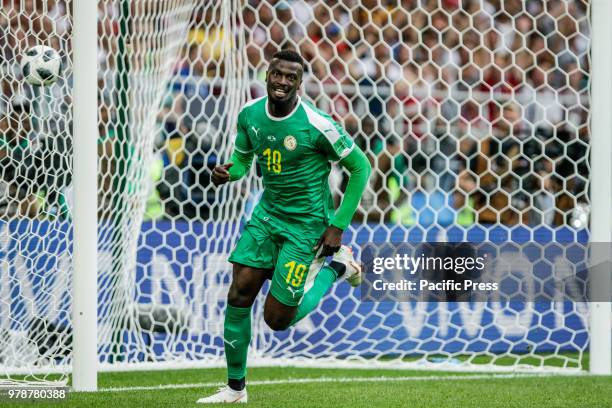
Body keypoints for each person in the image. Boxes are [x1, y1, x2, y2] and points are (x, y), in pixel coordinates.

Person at [197, 50, 371, 404]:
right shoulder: (249, 114)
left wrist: (337, 226)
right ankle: (235, 389)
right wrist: (228, 173)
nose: (282, 82)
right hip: (267, 217)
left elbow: (361, 168)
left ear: (299, 83)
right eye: (277, 74)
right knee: (238, 293)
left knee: (277, 319)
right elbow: (245, 160)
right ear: (268, 74)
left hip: (306, 227)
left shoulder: (317, 124)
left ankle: (336, 268)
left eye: (291, 78)